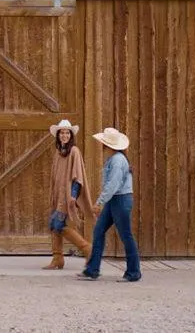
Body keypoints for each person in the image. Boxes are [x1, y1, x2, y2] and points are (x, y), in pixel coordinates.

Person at [78, 127, 141, 282]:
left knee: (126, 235)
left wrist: (99, 202)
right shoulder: (115, 158)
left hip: (120, 200)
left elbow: (112, 185)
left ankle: (133, 272)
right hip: (116, 200)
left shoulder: (117, 160)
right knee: (99, 230)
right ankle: (92, 269)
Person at [42, 119, 94, 270]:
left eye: (67, 133)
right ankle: (57, 259)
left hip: (67, 196)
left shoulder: (74, 151)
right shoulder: (59, 153)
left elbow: (77, 175)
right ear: (58, 136)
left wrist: (73, 195)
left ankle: (88, 249)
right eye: (62, 133)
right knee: (54, 225)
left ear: (71, 136)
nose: (64, 135)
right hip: (58, 196)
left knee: (58, 225)